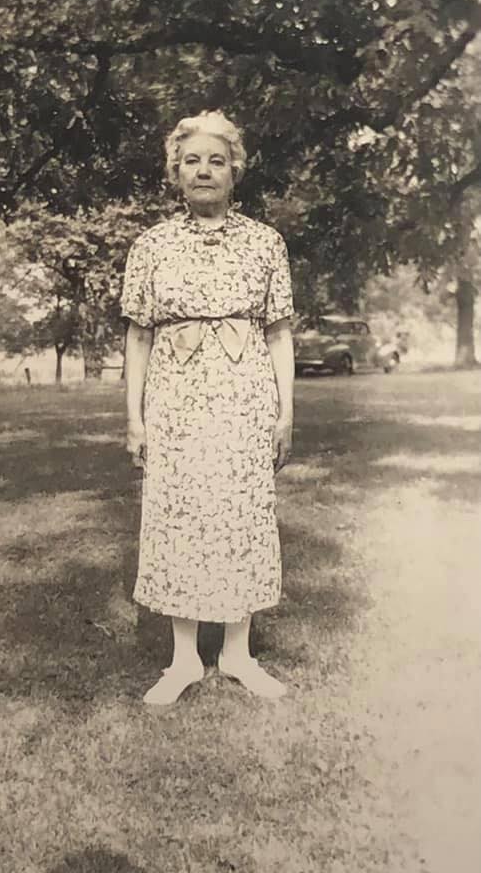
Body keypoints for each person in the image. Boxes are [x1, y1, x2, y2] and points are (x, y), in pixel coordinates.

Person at [120, 110, 295, 705]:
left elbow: (278, 333)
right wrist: (135, 417)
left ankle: (240, 654)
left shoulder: (266, 242)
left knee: (242, 514)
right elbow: (139, 336)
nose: (204, 171)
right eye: (191, 160)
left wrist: (285, 412)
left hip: (246, 398)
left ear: (234, 171)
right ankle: (184, 660)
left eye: (216, 161)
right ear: (176, 171)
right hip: (176, 402)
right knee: (181, 514)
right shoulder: (151, 246)